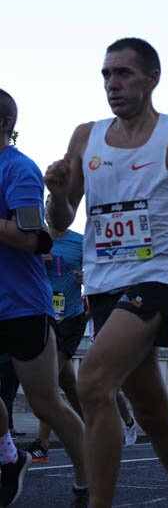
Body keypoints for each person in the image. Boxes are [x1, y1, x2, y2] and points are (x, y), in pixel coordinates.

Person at [44, 38, 168, 508]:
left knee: (94, 382)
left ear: (152, 77)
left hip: (155, 276)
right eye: (105, 75)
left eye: (123, 74)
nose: (112, 85)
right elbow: (60, 222)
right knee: (152, 411)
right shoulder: (85, 136)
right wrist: (56, 192)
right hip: (101, 282)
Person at [0, 88, 89, 507]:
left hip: (20, 306)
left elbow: (34, 239)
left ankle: (89, 480)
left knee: (47, 404)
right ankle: (8, 456)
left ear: (4, 124)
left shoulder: (19, 170)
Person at [23, 204, 95, 464]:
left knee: (48, 378)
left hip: (71, 317)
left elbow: (99, 271)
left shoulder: (80, 242)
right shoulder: (32, 241)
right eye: (50, 202)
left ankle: (42, 444)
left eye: (60, 203)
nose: (54, 209)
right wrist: (33, 260)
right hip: (42, 314)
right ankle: (93, 429)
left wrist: (87, 275)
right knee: (67, 383)